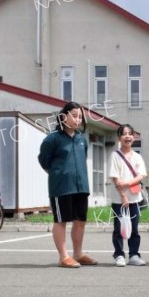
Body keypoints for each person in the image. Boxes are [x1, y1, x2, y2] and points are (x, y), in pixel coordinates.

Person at [38, 101, 97, 268]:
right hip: (61, 187)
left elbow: (82, 158)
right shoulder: (52, 139)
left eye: (80, 117)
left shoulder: (81, 139)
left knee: (80, 221)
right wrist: (58, 174)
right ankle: (63, 256)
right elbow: (43, 160)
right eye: (75, 116)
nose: (78, 120)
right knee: (61, 220)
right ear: (64, 116)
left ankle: (78, 254)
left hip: (81, 186)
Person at [108, 124, 147, 267]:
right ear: (119, 138)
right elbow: (115, 178)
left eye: (130, 134)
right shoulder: (115, 155)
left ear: (134, 137)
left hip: (135, 199)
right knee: (119, 228)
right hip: (119, 199)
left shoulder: (137, 156)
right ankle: (119, 255)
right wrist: (123, 195)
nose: (128, 136)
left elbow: (141, 175)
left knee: (134, 228)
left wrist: (128, 183)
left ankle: (134, 254)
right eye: (124, 134)